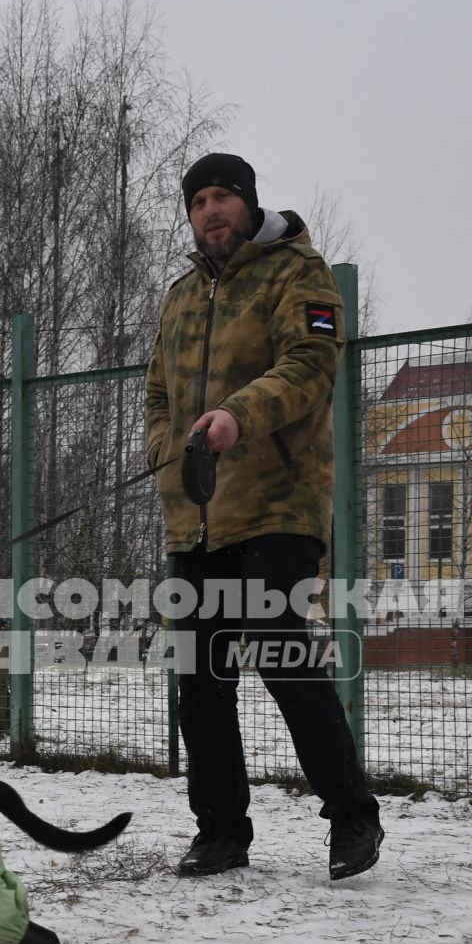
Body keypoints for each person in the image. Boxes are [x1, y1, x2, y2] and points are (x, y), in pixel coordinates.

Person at [143, 151, 383, 881]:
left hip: (278, 502)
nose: (210, 210)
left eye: (222, 197)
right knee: (200, 676)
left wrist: (234, 419)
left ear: (248, 203)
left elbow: (311, 367)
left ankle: (352, 818)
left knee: (281, 652)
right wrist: (167, 453)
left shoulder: (294, 272)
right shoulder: (182, 295)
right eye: (197, 201)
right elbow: (155, 395)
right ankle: (220, 831)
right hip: (197, 513)